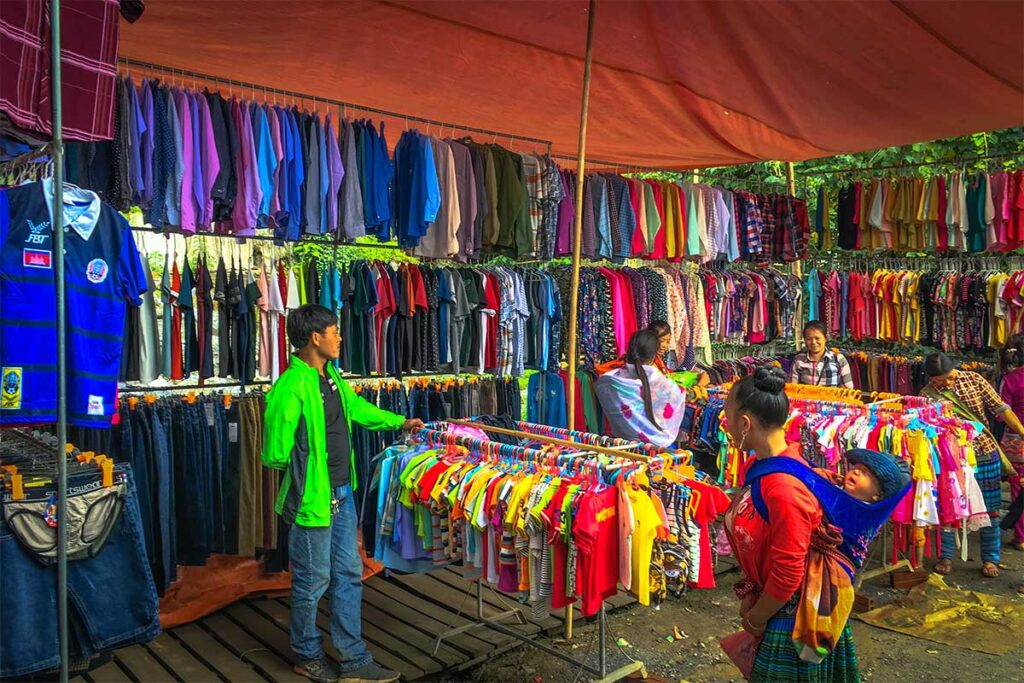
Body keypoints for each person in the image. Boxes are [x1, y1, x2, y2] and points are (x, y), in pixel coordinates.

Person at [262, 304, 424, 683]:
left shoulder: (330, 375)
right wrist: (309, 474)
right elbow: (274, 453)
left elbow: (356, 409)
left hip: (341, 493)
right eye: (334, 331)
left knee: (349, 573)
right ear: (316, 338)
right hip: (311, 501)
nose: (339, 337)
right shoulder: (290, 387)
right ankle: (307, 655)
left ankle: (354, 659)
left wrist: (399, 422)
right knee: (313, 579)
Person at [721, 366, 862, 682]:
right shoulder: (766, 466)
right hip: (779, 607)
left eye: (728, 417)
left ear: (745, 424)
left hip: (791, 619)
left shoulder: (783, 487)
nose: (726, 425)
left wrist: (757, 618)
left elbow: (788, 571)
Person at [921, 352, 1024, 578]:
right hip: (951, 458)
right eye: (940, 381)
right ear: (931, 379)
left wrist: (1022, 432)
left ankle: (990, 559)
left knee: (990, 508)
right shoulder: (926, 396)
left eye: (949, 377)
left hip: (984, 451)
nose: (947, 383)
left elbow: (1001, 408)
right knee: (949, 508)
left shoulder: (974, 380)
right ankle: (946, 556)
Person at [595, 329, 686, 447]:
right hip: (658, 450)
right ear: (654, 356)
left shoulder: (607, 382)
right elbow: (676, 401)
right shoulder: (666, 386)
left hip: (621, 447)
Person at [999, 336, 1024, 552]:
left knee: (1018, 487)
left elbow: (1001, 414)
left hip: (1016, 442)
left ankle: (1021, 536)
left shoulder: (1009, 379)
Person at [789, 321, 854, 388]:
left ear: (825, 338)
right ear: (805, 340)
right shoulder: (799, 360)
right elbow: (792, 387)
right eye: (809, 339)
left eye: (817, 338)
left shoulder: (839, 359)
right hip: (805, 398)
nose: (813, 342)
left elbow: (848, 388)